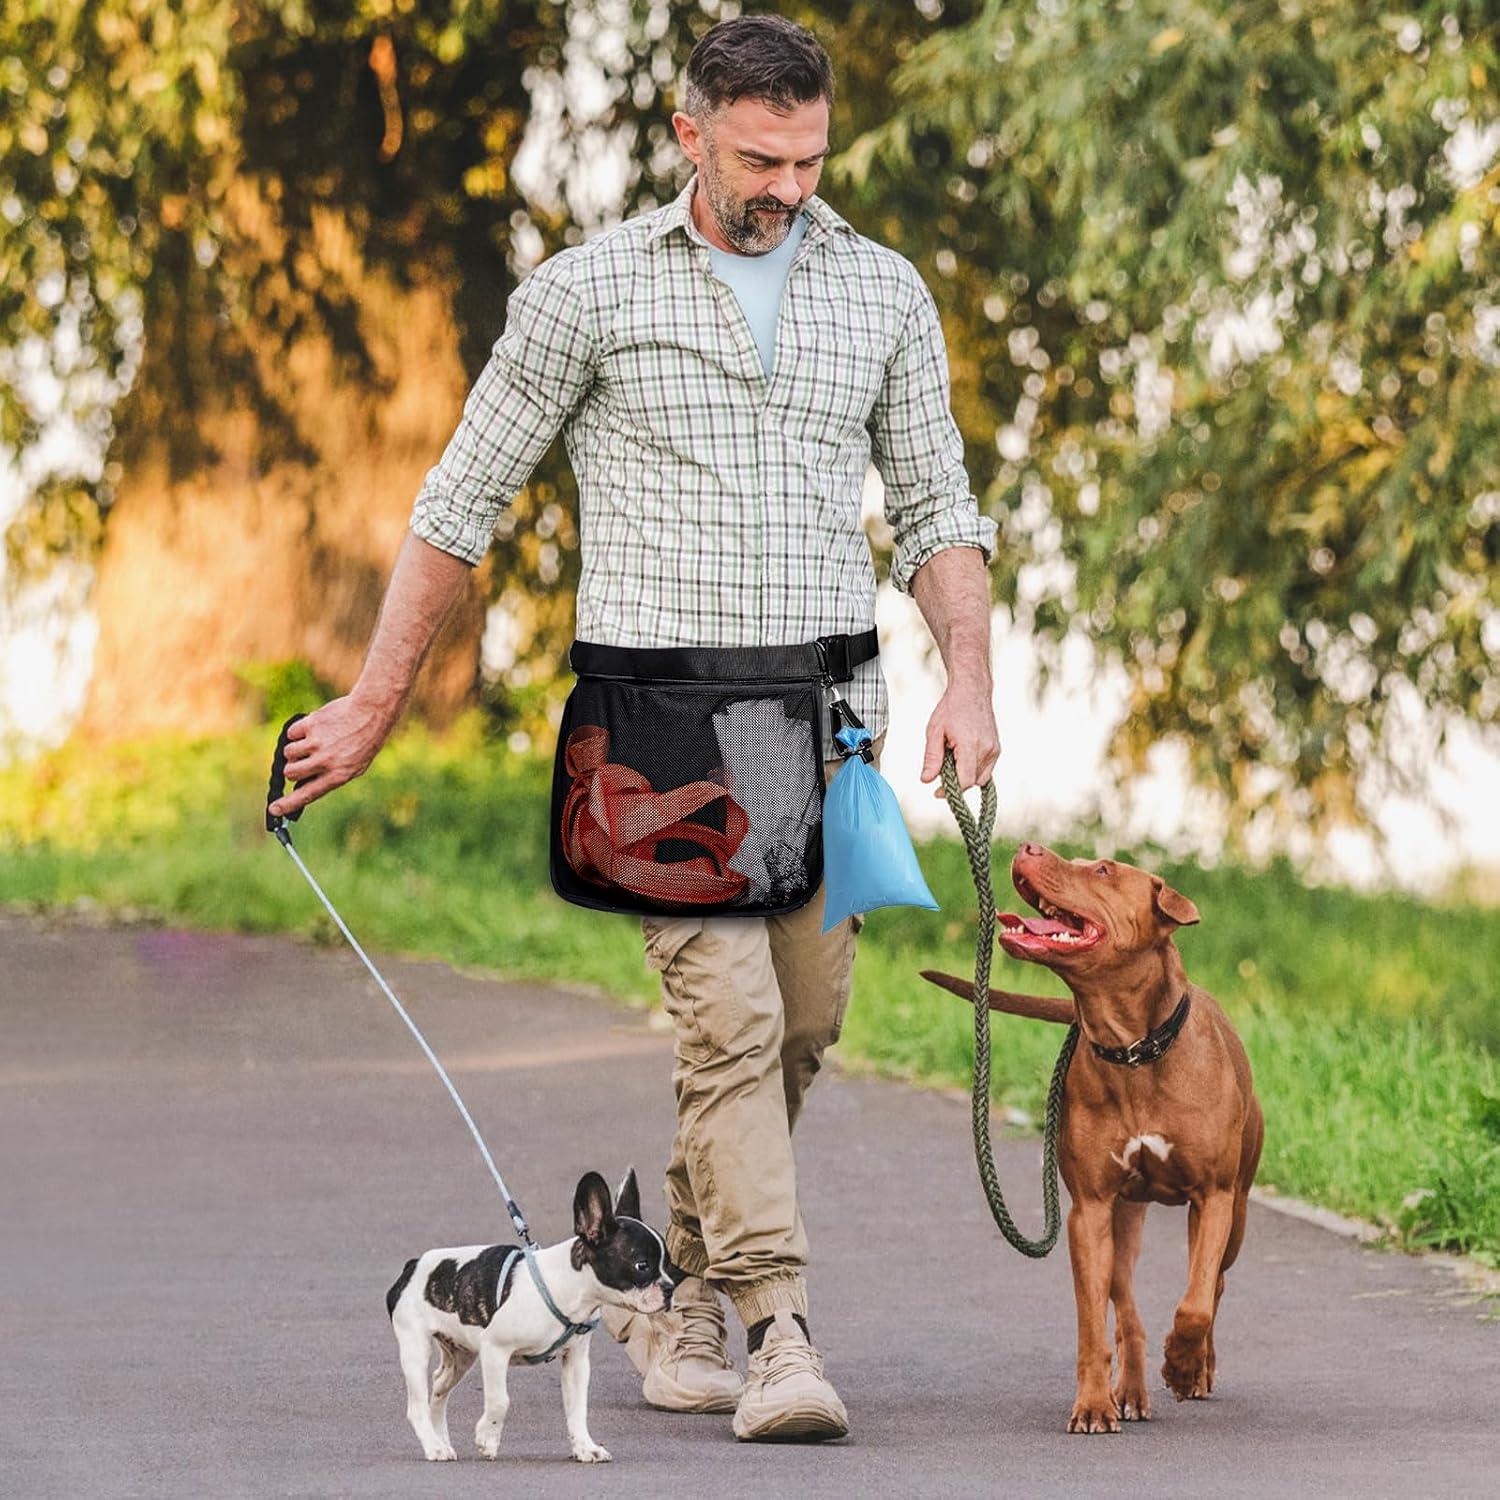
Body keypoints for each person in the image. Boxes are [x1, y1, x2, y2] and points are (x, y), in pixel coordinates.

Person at [266, 13, 999, 1443]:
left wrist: (967, 678)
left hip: (822, 731)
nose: (788, 186)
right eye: (757, 159)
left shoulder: (884, 294)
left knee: (797, 1028)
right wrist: (372, 701)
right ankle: (782, 1328)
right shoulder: (586, 296)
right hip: (653, 738)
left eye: (809, 158)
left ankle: (669, 1290)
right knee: (725, 1021)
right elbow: (457, 507)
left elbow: (938, 513)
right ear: (688, 136)